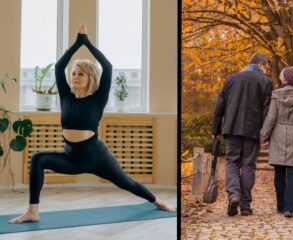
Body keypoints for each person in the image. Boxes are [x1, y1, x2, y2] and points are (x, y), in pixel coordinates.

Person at [9, 25, 175, 224]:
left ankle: (157, 201)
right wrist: (76, 43)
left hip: (97, 157)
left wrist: (86, 42)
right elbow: (59, 67)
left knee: (127, 183)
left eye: (81, 74)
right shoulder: (65, 97)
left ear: (90, 78)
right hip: (71, 158)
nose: (75, 77)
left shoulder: (98, 99)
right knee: (38, 158)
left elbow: (108, 67)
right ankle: (32, 211)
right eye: (74, 74)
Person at [212, 53, 274, 216]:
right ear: (261, 65)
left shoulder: (231, 79)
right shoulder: (266, 82)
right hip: (253, 131)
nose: (267, 70)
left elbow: (219, 107)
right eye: (266, 67)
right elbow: (267, 111)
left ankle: (234, 195)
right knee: (248, 165)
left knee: (232, 162)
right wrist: (265, 135)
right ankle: (245, 205)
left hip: (231, 128)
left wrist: (216, 130)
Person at [260, 66, 293, 218]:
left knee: (279, 173)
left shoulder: (276, 95)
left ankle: (280, 206)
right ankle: (289, 209)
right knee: (292, 173)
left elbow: (270, 119)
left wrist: (263, 137)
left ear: (284, 80)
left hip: (278, 136)